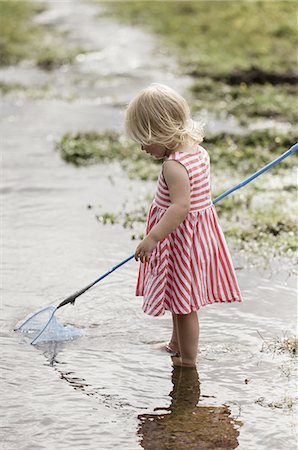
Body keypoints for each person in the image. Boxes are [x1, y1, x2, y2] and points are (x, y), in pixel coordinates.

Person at [125, 83, 243, 368]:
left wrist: (152, 238)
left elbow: (180, 207)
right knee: (179, 298)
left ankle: (187, 361)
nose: (142, 148)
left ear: (161, 132)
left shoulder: (173, 166)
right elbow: (195, 199)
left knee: (185, 305)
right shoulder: (197, 152)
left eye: (145, 140)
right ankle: (175, 344)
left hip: (181, 241)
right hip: (196, 237)